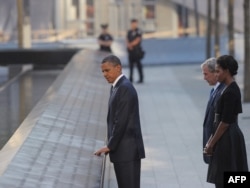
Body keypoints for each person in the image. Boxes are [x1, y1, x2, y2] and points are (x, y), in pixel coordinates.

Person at [94, 55, 145, 188]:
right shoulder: (116, 87)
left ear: (118, 68)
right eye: (103, 71)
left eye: (107, 70)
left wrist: (110, 146)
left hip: (127, 153)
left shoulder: (124, 88)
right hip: (123, 152)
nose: (105, 74)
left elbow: (120, 121)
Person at [204, 55, 248, 188]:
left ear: (227, 71)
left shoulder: (231, 91)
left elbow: (225, 122)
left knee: (227, 178)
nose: (216, 74)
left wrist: (211, 144)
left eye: (218, 71)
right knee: (223, 177)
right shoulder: (224, 88)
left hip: (228, 138)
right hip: (225, 136)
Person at [201, 58, 225, 164]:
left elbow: (224, 122)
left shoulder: (223, 91)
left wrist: (211, 143)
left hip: (219, 146)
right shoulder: (214, 90)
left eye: (206, 74)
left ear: (215, 73)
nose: (204, 78)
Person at [126, 19, 144, 83]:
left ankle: (141, 78)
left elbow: (138, 40)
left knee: (138, 65)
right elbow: (127, 39)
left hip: (136, 51)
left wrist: (131, 44)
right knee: (131, 65)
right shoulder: (129, 32)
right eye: (133, 23)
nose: (134, 25)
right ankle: (131, 78)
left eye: (135, 23)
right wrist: (129, 45)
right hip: (130, 51)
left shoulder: (138, 31)